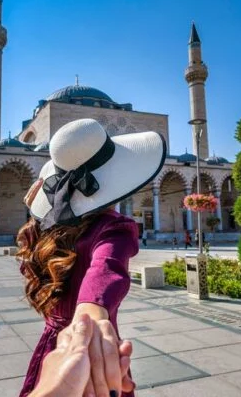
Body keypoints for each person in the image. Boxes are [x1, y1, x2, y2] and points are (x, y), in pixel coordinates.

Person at [17, 118, 166, 397]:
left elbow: (98, 270)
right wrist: (91, 317)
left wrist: (36, 217)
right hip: (89, 353)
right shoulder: (113, 228)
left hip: (54, 353)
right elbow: (106, 267)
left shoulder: (48, 233)